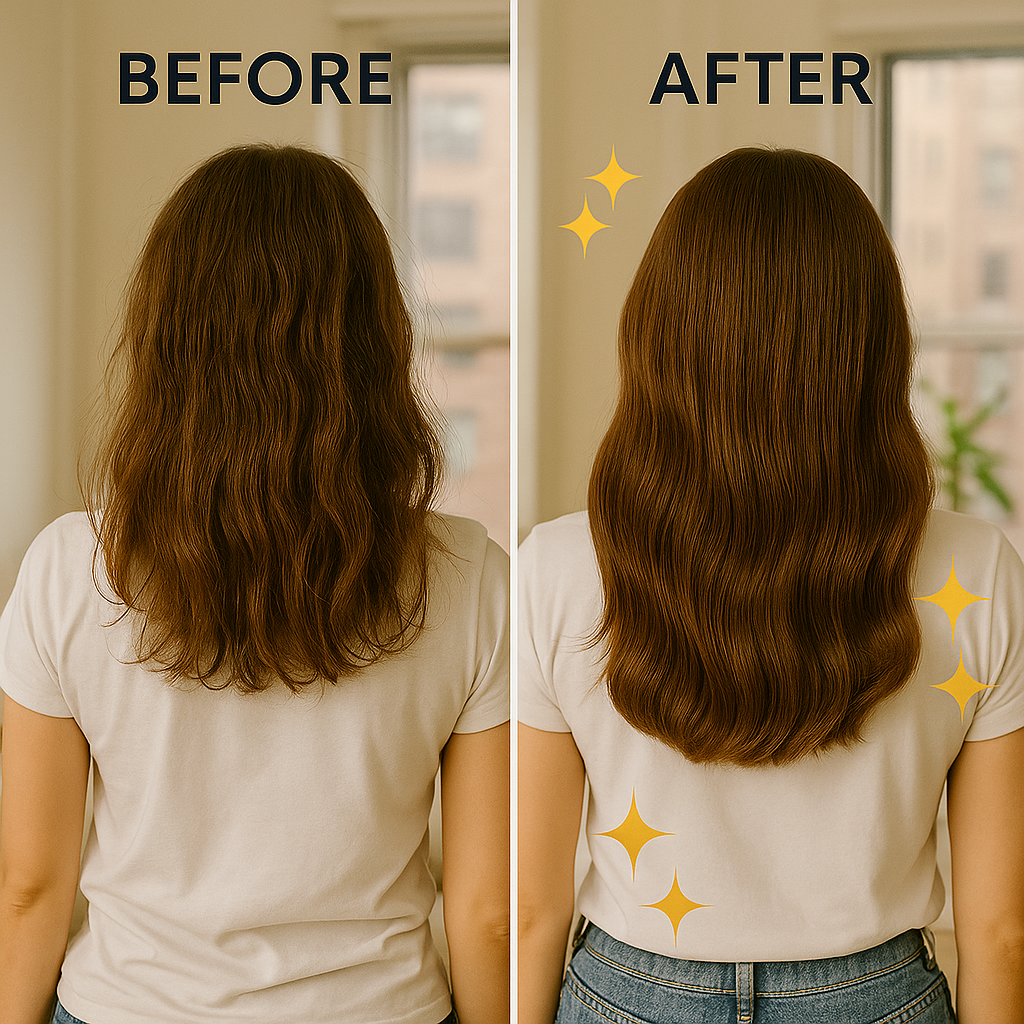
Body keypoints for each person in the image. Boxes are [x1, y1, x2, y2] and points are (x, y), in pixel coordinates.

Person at [0, 144, 509, 1024]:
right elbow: (489, 916)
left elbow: (29, 886)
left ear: (167, 334)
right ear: (375, 336)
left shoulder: (66, 568)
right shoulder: (473, 578)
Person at [518, 147, 1024, 1024]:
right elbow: (1002, 931)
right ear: (872, 345)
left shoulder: (558, 568)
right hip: (877, 997)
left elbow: (524, 913)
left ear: (659, 332)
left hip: (629, 994)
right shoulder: (976, 570)